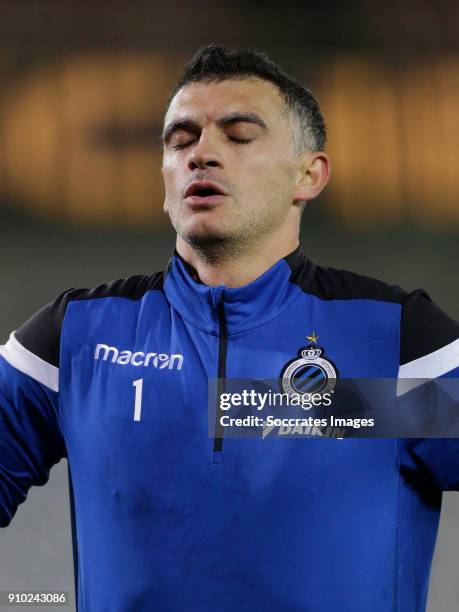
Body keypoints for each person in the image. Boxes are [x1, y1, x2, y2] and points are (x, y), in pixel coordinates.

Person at [0, 44, 458, 612]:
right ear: (164, 177)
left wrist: (298, 410)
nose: (202, 154)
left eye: (238, 136)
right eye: (180, 140)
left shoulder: (396, 340)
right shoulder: (77, 340)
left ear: (308, 175)